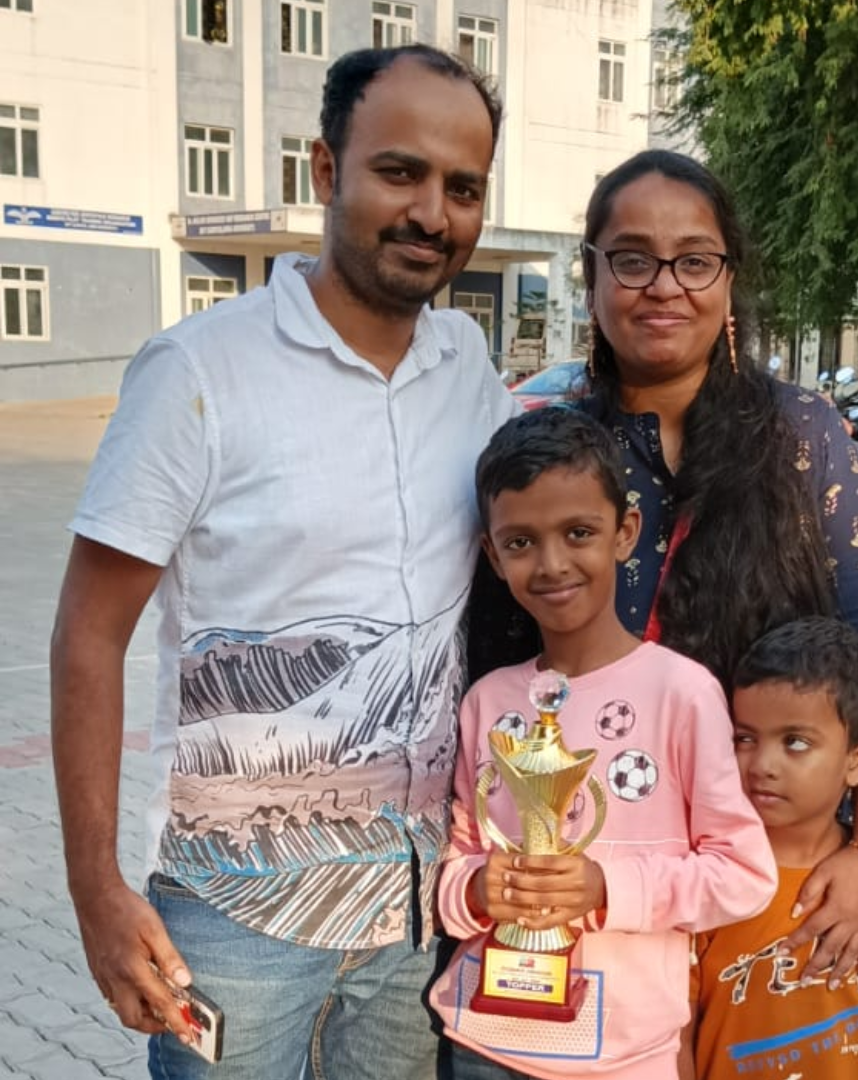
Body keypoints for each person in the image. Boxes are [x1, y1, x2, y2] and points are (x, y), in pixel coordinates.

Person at [50, 45, 515, 1080]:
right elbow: (88, 631)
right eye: (400, 171)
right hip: (230, 923)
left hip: (415, 919)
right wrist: (95, 890)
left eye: (463, 187)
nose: (431, 212)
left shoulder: (470, 373)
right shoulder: (199, 371)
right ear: (325, 170)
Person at [468, 148, 858, 984]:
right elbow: (500, 662)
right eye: (633, 259)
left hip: (780, 888)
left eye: (695, 260)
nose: (664, 286)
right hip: (602, 900)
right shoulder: (554, 456)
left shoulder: (804, 437)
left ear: (728, 277)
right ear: (592, 278)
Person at [432, 408, 777, 1080]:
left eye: (579, 533)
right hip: (483, 1042)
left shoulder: (682, 693)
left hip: (624, 1054)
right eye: (521, 542)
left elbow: (743, 874)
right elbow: (460, 857)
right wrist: (475, 890)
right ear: (493, 556)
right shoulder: (488, 702)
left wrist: (606, 888)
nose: (552, 563)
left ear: (625, 533)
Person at [695, 617, 858, 1079]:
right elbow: (677, 1035)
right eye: (745, 739)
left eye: (795, 742)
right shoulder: (704, 881)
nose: (763, 764)